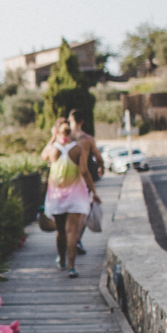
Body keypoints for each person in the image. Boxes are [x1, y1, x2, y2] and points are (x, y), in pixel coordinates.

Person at [41, 121, 100, 278]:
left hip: (56, 196)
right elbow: (85, 171)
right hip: (76, 195)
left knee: (60, 231)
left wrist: (52, 138)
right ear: (71, 134)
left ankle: (61, 259)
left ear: (59, 133)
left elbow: (42, 156)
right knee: (72, 231)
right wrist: (93, 192)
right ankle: (72, 267)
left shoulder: (52, 149)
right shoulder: (78, 148)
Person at [67, 108, 104, 255]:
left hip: (64, 180)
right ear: (82, 121)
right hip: (81, 180)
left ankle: (68, 240)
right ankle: (76, 239)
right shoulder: (87, 139)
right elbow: (98, 157)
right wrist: (101, 167)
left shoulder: (64, 138)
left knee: (66, 212)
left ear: (70, 120)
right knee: (82, 211)